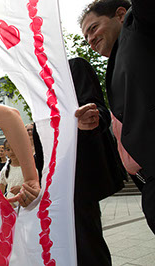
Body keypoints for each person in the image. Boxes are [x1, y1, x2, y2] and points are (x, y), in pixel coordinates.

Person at [35, 57, 126, 266]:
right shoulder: (38, 85)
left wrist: (88, 120)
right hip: (53, 177)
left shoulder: (74, 67)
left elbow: (98, 109)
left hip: (78, 176)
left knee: (87, 244)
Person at [80, 0, 155, 233]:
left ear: (121, 15)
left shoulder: (139, 25)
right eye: (85, 37)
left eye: (93, 28)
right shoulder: (117, 62)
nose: (90, 39)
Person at [0, 139, 25, 208]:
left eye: (14, 148)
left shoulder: (27, 167)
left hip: (26, 205)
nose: (11, 152)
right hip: (11, 207)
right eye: (8, 149)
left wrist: (21, 189)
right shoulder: (5, 169)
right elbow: (1, 192)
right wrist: (7, 202)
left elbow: (34, 186)